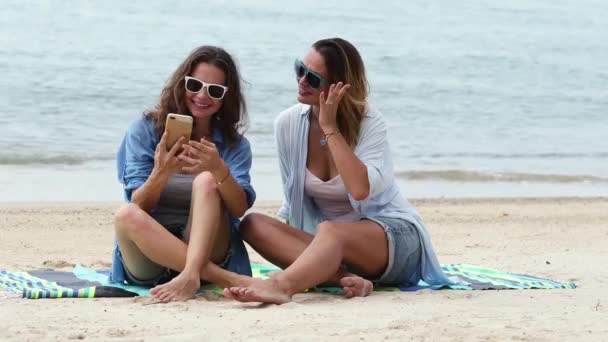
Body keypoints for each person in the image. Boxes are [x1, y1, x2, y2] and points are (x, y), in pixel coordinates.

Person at [224, 38, 460, 304]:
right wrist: (301, 253)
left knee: (331, 231)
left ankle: (281, 286)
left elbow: (359, 190)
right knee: (253, 224)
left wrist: (330, 128)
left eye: (312, 78)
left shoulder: (371, 124)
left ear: (340, 87)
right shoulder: (287, 123)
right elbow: (293, 203)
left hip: (392, 239)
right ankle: (344, 279)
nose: (301, 80)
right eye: (299, 69)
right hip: (334, 246)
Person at [110, 46, 256, 302]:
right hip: (151, 256)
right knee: (126, 214)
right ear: (181, 83)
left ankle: (191, 273)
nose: (202, 95)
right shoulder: (145, 130)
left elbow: (238, 209)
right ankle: (223, 278)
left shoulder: (234, 145)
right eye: (194, 84)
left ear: (225, 97)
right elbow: (139, 204)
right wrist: (161, 173)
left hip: (209, 246)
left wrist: (218, 169)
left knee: (207, 180)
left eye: (214, 90)